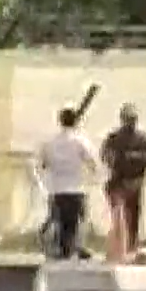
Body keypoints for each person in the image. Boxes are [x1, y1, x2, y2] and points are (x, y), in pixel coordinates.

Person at [38, 106, 98, 260]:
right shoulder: (80, 141)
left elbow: (43, 164)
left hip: (57, 188)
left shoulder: (50, 142)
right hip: (76, 187)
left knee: (60, 220)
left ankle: (63, 248)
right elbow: (92, 162)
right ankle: (76, 247)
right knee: (77, 220)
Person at [100, 104, 146, 263]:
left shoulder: (143, 139)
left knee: (133, 217)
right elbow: (105, 156)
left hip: (135, 182)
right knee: (118, 217)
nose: (130, 122)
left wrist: (132, 158)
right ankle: (119, 250)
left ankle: (131, 247)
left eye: (133, 119)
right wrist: (116, 161)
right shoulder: (114, 138)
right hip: (118, 182)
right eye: (128, 119)